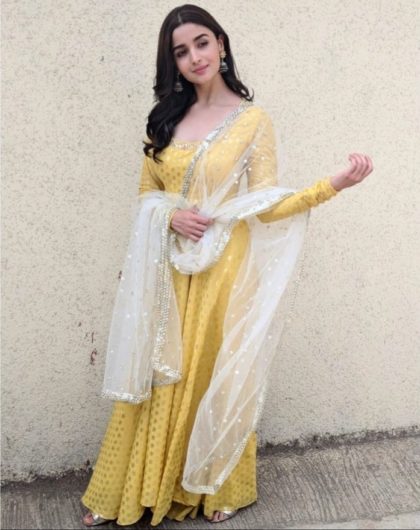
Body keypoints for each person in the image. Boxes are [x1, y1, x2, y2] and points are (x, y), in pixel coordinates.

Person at [81, 3, 373, 527]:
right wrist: (170, 217)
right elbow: (147, 195)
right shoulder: (164, 120)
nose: (194, 57)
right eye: (181, 51)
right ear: (172, 62)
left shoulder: (252, 121)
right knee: (158, 375)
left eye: (201, 43)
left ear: (220, 44)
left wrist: (331, 186)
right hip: (170, 270)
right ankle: (129, 489)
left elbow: (265, 205)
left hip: (225, 272)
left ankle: (216, 485)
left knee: (219, 375)